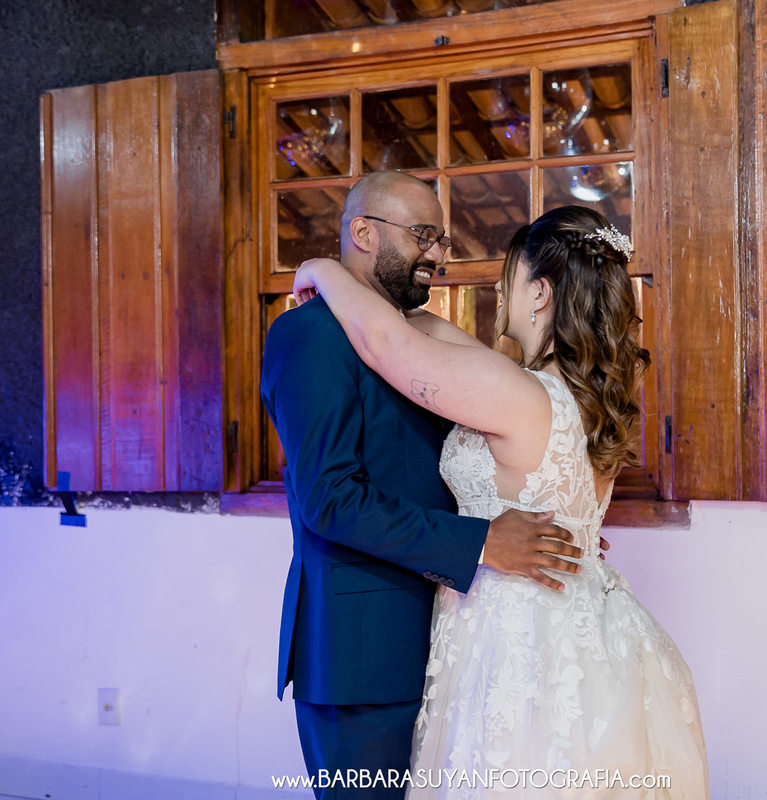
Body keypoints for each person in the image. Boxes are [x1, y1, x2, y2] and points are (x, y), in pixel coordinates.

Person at [291, 204, 710, 798]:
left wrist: (323, 270)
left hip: (518, 638)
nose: (497, 286)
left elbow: (387, 343)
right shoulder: (577, 396)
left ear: (539, 293)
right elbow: (424, 331)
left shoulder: (518, 393)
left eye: (509, 274)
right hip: (581, 629)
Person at [260, 171, 585, 800]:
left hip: (455, 640)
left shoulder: (415, 337)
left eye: (440, 240)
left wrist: (547, 516)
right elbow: (331, 499)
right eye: (423, 235)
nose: (437, 254)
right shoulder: (308, 335)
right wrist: (483, 542)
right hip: (363, 656)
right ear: (363, 232)